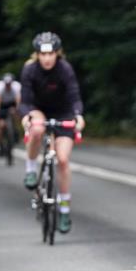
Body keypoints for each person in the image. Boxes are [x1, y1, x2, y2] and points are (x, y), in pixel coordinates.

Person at [19, 32, 85, 233]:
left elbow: (74, 96)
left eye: (51, 54)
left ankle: (64, 209)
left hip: (63, 112)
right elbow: (25, 100)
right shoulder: (30, 70)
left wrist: (78, 116)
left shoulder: (65, 69)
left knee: (63, 160)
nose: (47, 59)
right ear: (37, 54)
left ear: (57, 53)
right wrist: (27, 117)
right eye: (43, 54)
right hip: (38, 110)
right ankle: (31, 169)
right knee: (38, 128)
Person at [0, 72, 22, 155]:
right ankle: (0, 143)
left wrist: (18, 110)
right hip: (2, 105)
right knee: (1, 125)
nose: (8, 86)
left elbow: (18, 100)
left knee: (17, 116)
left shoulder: (17, 86)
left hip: (12, 103)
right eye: (6, 84)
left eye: (9, 84)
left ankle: (15, 131)